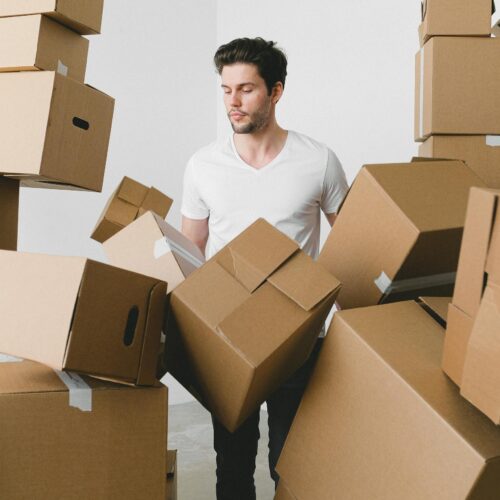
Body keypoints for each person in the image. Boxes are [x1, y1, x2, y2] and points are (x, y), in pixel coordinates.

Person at [180, 36, 349, 500]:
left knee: (290, 462)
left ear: (276, 92)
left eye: (246, 89)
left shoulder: (318, 160)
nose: (233, 102)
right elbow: (189, 253)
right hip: (227, 337)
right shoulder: (203, 166)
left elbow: (358, 241)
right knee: (231, 465)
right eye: (226, 89)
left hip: (298, 337)